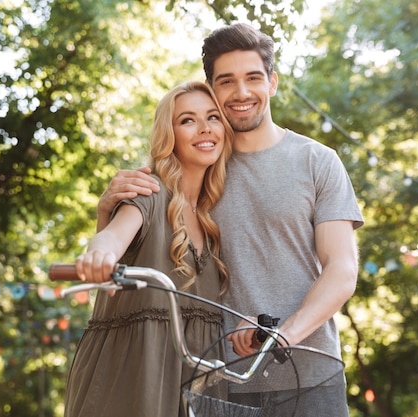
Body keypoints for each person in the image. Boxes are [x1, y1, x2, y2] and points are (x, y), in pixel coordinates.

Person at [97, 22, 364, 416]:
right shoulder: (194, 166)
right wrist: (105, 213)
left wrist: (280, 336)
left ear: (272, 82)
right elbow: (132, 242)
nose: (241, 92)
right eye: (226, 82)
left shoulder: (317, 161)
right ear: (212, 90)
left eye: (253, 78)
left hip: (310, 377)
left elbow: (341, 270)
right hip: (219, 382)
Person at [64, 81, 234, 417]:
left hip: (200, 389)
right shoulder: (148, 191)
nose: (204, 128)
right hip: (134, 380)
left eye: (213, 117)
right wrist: (100, 256)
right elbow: (113, 236)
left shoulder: (214, 219)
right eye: (188, 120)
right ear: (168, 134)